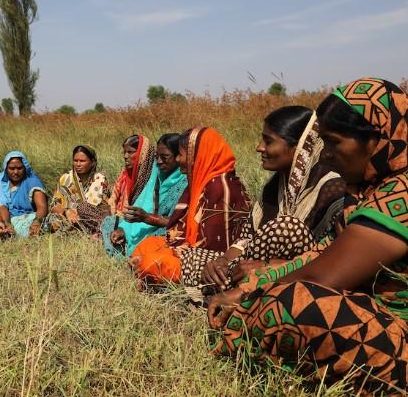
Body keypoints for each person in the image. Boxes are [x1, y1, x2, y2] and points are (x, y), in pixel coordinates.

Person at [209, 78, 408, 393]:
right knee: (266, 286)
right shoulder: (368, 191)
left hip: (401, 338)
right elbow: (321, 254)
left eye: (333, 142)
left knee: (296, 302)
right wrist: (254, 284)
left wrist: (250, 297)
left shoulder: (402, 193)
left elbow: (325, 276)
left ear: (375, 141)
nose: (325, 155)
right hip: (374, 315)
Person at [200, 106, 345, 292]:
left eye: (268, 141)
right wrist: (222, 262)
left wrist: (272, 266)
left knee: (285, 228)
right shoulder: (275, 186)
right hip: (254, 264)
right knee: (195, 259)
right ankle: (227, 281)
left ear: (300, 147)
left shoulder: (332, 189)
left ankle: (235, 287)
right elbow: (247, 239)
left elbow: (338, 255)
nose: (259, 147)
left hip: (307, 275)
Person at [130, 127, 251, 285]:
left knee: (151, 263)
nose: (178, 159)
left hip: (208, 260)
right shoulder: (198, 182)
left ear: (198, 155)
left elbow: (212, 249)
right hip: (188, 248)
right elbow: (181, 231)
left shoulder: (221, 188)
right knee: (147, 245)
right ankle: (149, 273)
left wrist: (171, 252)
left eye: (180, 154)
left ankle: (150, 274)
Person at [101, 134, 188, 257]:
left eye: (165, 157)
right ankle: (127, 246)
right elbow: (142, 204)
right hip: (144, 224)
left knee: (159, 243)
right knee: (109, 222)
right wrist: (123, 229)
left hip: (165, 230)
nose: (158, 161)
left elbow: (178, 223)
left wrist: (147, 218)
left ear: (178, 157)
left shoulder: (185, 182)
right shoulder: (156, 174)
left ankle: (136, 252)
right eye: (157, 157)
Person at [50, 145, 111, 236]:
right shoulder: (65, 179)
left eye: (82, 161)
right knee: (54, 218)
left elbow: (105, 208)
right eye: (75, 161)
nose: (78, 164)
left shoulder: (100, 180)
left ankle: (83, 232)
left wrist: (82, 213)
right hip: (69, 218)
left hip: (90, 220)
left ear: (92, 162)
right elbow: (55, 205)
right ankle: (78, 232)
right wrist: (67, 211)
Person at [0, 151, 48, 237]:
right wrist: (7, 224)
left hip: (28, 217)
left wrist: (37, 222)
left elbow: (42, 206)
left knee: (49, 222)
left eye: (19, 168)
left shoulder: (32, 181)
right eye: (12, 168)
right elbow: (1, 206)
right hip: (6, 217)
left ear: (25, 168)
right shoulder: (0, 180)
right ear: (6, 168)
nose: (16, 172)